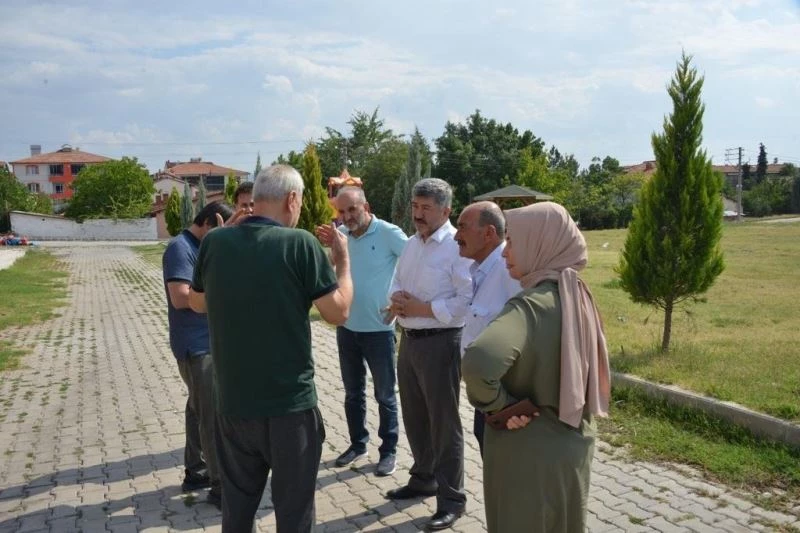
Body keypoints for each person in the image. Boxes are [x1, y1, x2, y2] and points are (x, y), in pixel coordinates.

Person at [188, 164, 353, 533]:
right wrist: (343, 264)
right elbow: (338, 313)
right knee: (293, 513)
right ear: (292, 199)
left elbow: (197, 304)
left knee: (236, 509)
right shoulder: (300, 244)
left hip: (232, 403)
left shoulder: (214, 242)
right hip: (288, 407)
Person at [461, 202, 611, 533]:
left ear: (540, 243)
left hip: (527, 453)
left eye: (513, 242)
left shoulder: (530, 306)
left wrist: (501, 406)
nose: (504, 253)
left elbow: (478, 362)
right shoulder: (576, 295)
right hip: (571, 450)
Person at [385, 178, 472, 531]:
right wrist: (396, 300)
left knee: (444, 423)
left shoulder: (456, 247)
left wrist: (423, 307)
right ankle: (423, 477)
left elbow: (464, 301)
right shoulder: (410, 245)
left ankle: (452, 499)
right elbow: (396, 279)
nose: (418, 215)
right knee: (415, 416)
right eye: (415, 207)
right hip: (410, 340)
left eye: (426, 209)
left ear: (446, 211)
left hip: (441, 342)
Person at [315, 186, 408, 477]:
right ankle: (358, 444)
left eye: (352, 210)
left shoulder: (388, 233)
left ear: (365, 206)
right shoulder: (343, 236)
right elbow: (330, 267)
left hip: (380, 331)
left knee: (385, 395)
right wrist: (331, 248)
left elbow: (415, 264)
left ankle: (389, 450)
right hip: (347, 328)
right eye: (341, 212)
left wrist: (401, 301)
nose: (346, 217)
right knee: (353, 393)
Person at [162, 200, 234, 509]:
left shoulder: (201, 246)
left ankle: (196, 471)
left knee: (197, 409)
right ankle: (220, 487)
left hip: (206, 342)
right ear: (210, 222)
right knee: (212, 417)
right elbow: (180, 299)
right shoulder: (181, 248)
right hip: (197, 345)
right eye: (222, 232)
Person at [453, 201, 520, 457]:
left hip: (506, 403)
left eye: (463, 228)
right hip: (488, 398)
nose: (457, 236)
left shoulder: (510, 271)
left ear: (489, 233)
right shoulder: (481, 269)